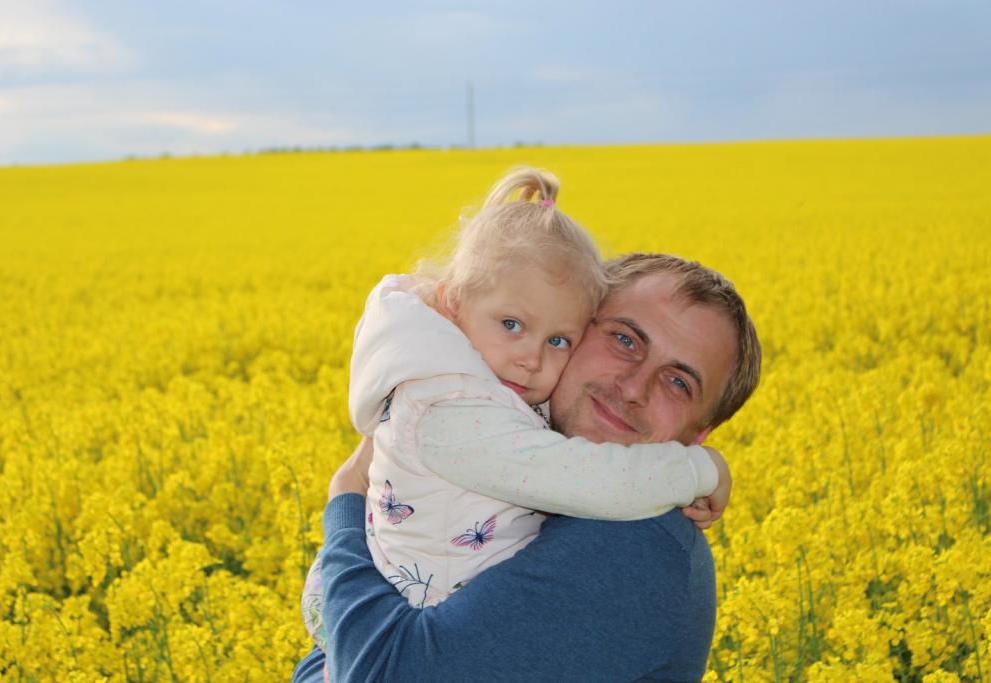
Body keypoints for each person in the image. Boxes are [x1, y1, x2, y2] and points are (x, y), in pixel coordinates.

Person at [302, 167, 732, 651]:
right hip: (412, 609)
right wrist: (698, 470)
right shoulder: (455, 412)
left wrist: (345, 492)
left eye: (558, 340)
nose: (532, 357)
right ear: (453, 303)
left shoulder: (467, 383)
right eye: (511, 324)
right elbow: (588, 479)